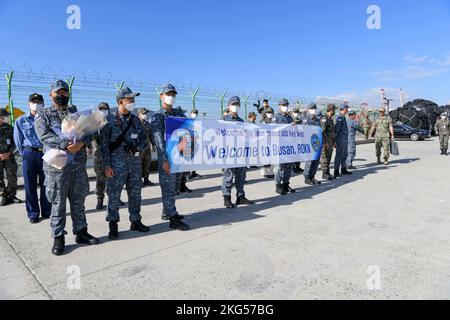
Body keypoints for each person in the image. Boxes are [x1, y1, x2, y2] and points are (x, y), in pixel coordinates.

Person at [34, 80, 99, 256]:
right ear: (51, 95)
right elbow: (43, 135)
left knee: (79, 201)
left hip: (77, 165)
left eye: (65, 93)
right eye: (58, 93)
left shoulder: (75, 112)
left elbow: (89, 129)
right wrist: (65, 144)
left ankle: (81, 232)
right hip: (57, 168)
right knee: (58, 203)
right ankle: (58, 236)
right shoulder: (43, 114)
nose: (62, 96)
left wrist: (82, 143)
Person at [100, 88, 151, 240]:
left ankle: (135, 220)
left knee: (135, 194)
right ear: (120, 101)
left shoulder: (135, 120)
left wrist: (138, 148)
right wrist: (107, 166)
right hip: (116, 165)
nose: (133, 102)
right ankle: (113, 224)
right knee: (114, 196)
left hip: (134, 164)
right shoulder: (108, 121)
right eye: (130, 99)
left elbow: (144, 140)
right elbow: (103, 146)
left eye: (133, 100)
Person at [151, 84, 189, 230]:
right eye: (168, 94)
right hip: (168, 157)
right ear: (161, 96)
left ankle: (167, 212)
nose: (171, 97)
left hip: (179, 157)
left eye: (173, 94)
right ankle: (173, 218)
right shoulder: (158, 116)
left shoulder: (177, 115)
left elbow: (189, 129)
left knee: (173, 188)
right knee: (167, 187)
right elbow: (158, 139)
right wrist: (164, 159)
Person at [13, 93, 49, 222]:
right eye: (34, 102)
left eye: (39, 102)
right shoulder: (21, 120)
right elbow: (18, 141)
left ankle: (46, 211)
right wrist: (26, 153)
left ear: (43, 104)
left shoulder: (47, 119)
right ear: (29, 104)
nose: (36, 104)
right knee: (30, 185)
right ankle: (33, 213)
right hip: (29, 154)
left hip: (45, 153)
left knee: (47, 184)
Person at [222, 96, 255, 209]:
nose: (235, 106)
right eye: (233, 104)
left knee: (241, 176)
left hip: (240, 153)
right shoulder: (224, 120)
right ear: (229, 106)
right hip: (229, 152)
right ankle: (227, 198)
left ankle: (240, 196)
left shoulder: (241, 121)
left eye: (237, 104)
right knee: (228, 176)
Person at [92, 102, 126, 210]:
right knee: (100, 178)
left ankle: (115, 198)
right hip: (99, 155)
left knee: (114, 178)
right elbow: (91, 139)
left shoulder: (114, 122)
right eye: (101, 109)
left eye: (105, 109)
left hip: (114, 154)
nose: (103, 111)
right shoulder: (94, 124)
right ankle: (100, 198)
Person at [0, 108, 22, 207]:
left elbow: (15, 142)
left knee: (12, 177)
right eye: (2, 116)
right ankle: (3, 196)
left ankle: (12, 196)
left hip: (9, 157)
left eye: (4, 116)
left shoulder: (9, 128)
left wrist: (9, 153)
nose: (3, 118)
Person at [274, 99, 296, 195]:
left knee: (288, 166)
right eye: (283, 105)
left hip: (289, 144)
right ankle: (278, 186)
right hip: (279, 144)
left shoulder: (290, 117)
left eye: (286, 104)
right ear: (279, 106)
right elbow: (274, 130)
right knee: (279, 167)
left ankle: (286, 184)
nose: (285, 106)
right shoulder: (276, 117)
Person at [303, 103, 322, 186]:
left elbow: (319, 131)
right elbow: (305, 131)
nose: (313, 109)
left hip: (317, 143)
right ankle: (307, 177)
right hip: (309, 143)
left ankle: (312, 176)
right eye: (312, 108)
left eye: (314, 108)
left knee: (316, 161)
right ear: (308, 109)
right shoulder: (306, 119)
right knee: (310, 161)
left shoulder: (317, 120)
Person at [138, 107, 156, 187]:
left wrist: (154, 145)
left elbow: (151, 136)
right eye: (144, 113)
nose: (145, 115)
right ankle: (139, 180)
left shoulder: (148, 124)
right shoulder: (135, 124)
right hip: (138, 148)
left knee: (147, 163)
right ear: (139, 114)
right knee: (139, 164)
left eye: (146, 113)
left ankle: (146, 179)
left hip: (147, 147)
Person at [334, 104, 351, 177]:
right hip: (340, 140)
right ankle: (336, 171)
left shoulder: (343, 117)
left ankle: (343, 169)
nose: (347, 110)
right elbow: (336, 130)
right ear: (344, 109)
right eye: (347, 108)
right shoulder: (339, 117)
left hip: (344, 140)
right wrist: (334, 141)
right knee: (339, 155)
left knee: (344, 155)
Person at [320, 104, 337, 180]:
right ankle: (324, 173)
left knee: (329, 158)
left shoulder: (331, 119)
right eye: (334, 110)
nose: (334, 112)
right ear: (331, 110)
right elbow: (322, 132)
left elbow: (332, 132)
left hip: (330, 142)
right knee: (324, 158)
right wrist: (324, 143)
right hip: (325, 143)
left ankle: (327, 172)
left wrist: (334, 142)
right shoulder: (324, 118)